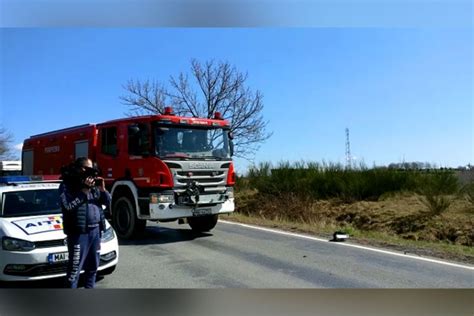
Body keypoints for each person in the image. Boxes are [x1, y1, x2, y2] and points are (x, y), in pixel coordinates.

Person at [59, 157, 110, 288]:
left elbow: (108, 203)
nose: (91, 172)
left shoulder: (93, 185)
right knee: (74, 271)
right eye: (88, 169)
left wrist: (103, 191)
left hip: (95, 231)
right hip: (79, 234)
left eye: (93, 169)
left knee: (93, 268)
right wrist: (83, 191)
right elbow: (68, 206)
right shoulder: (67, 184)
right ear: (81, 168)